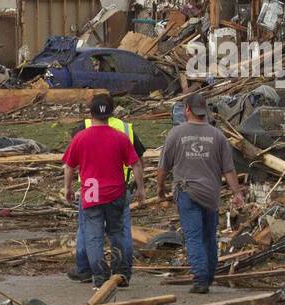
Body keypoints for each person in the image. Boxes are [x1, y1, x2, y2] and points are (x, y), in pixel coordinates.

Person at [156, 92, 247, 294]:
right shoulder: (218, 136)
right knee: (209, 236)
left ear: (187, 110)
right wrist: (237, 194)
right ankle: (209, 274)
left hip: (187, 193)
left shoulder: (176, 134)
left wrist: (160, 191)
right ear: (204, 111)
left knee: (193, 236)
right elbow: (229, 170)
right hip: (211, 194)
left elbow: (163, 168)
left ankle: (200, 279)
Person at [62, 95, 145, 288]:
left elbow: (69, 166)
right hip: (116, 190)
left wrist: (67, 188)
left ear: (90, 113)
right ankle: (121, 273)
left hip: (91, 191)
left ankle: (99, 276)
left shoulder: (81, 137)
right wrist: (140, 188)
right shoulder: (120, 137)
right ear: (111, 113)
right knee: (118, 233)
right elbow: (136, 164)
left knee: (92, 235)